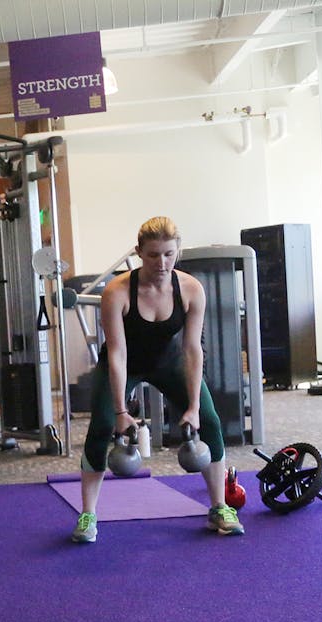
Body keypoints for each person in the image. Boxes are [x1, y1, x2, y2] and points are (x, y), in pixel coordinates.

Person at [72, 216, 243, 543]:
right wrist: (121, 412)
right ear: (139, 252)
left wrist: (192, 406)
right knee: (101, 425)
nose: (162, 263)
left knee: (209, 420)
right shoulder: (117, 291)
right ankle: (88, 516)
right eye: (153, 255)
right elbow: (117, 354)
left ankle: (219, 507)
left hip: (170, 362)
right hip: (126, 364)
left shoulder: (191, 289)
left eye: (168, 254)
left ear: (177, 250)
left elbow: (193, 350)